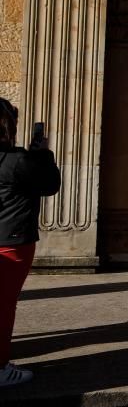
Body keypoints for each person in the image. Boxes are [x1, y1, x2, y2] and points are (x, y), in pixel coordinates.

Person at [0, 99, 60, 387]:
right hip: (11, 241)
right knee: (4, 305)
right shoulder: (15, 161)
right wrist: (43, 152)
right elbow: (50, 183)